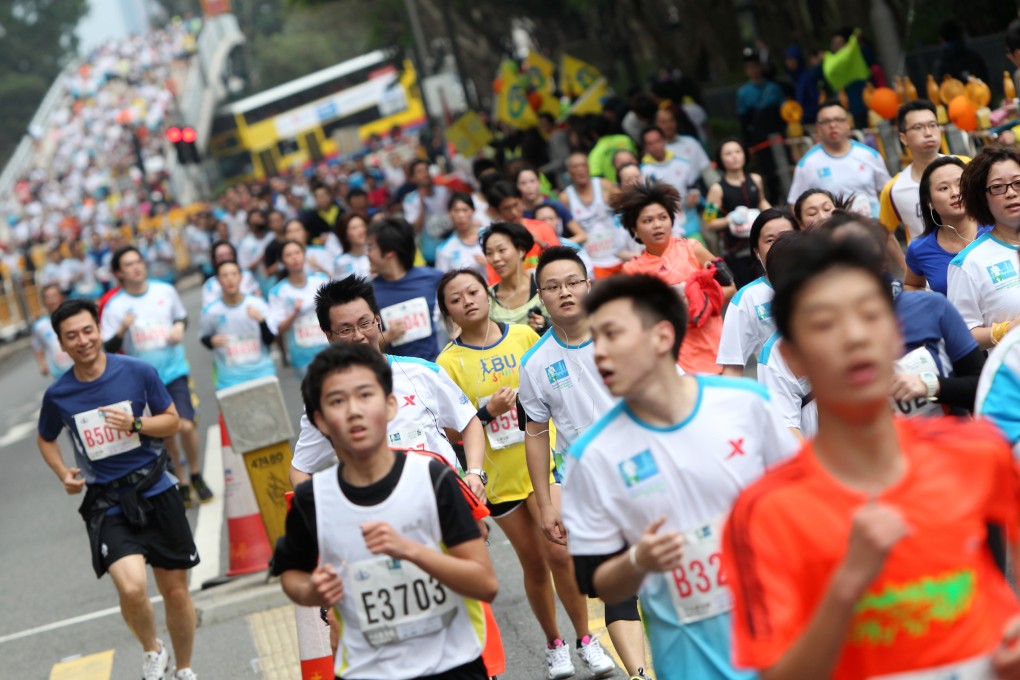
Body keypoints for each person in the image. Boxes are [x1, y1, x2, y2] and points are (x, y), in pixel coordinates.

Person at [723, 231, 1020, 680]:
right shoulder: (765, 513)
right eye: (825, 323)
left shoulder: (977, 455)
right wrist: (846, 585)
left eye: (870, 315)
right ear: (793, 352)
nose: (855, 337)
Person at [562, 274, 798, 680]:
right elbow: (599, 583)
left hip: (792, 640)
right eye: (594, 338)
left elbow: (808, 499)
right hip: (692, 662)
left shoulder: (747, 404)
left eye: (612, 335)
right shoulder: (591, 457)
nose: (598, 352)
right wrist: (638, 560)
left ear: (661, 336)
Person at [272, 343, 497, 680]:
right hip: (366, 671)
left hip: (451, 665)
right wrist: (311, 591)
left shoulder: (435, 479)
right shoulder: (313, 500)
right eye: (337, 401)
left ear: (390, 404)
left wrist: (409, 550)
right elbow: (291, 574)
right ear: (320, 421)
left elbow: (485, 583)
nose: (353, 411)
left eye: (365, 395)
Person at [435, 268, 617, 679]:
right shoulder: (447, 362)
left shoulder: (524, 338)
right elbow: (447, 428)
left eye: (473, 291)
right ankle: (555, 644)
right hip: (499, 479)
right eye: (455, 298)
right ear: (447, 311)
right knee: (534, 564)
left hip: (544, 464)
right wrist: (487, 412)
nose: (467, 301)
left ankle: (586, 638)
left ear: (488, 294)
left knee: (560, 552)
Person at [38, 298, 200, 680]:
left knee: (175, 591)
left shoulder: (138, 371)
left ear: (100, 330)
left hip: (156, 487)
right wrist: (63, 471)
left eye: (88, 331)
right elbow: (46, 438)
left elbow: (172, 422)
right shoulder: (58, 395)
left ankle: (185, 668)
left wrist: (137, 426)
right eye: (71, 336)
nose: (82, 341)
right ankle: (152, 650)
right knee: (130, 589)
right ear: (61, 344)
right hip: (107, 500)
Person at [520, 247, 651, 680]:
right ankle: (638, 674)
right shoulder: (536, 364)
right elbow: (536, 435)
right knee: (619, 590)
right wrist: (545, 506)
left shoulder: (625, 332)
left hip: (653, 473)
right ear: (540, 296)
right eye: (552, 286)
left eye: (572, 282)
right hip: (593, 491)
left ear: (589, 285)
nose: (565, 292)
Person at [288, 276, 485, 494]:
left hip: (447, 498)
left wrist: (475, 473)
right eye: (345, 330)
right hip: (382, 514)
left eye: (365, 324)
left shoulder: (422, 371)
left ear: (378, 322)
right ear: (329, 336)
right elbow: (300, 469)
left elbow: (468, 420)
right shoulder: (324, 399)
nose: (358, 336)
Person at [101, 246, 212, 507]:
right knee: (167, 433)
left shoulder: (165, 291)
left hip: (174, 371)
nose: (136, 267)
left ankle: (195, 472)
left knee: (185, 424)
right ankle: (182, 480)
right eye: (128, 264)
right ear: (119, 272)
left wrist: (178, 328)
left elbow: (181, 317)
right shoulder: (115, 307)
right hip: (144, 382)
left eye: (139, 261)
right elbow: (107, 346)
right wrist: (123, 329)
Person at [615, 179, 736, 374]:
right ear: (634, 229)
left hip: (719, 353)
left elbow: (732, 289)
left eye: (663, 217)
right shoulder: (632, 271)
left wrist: (700, 299)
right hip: (675, 364)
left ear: (672, 219)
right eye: (647, 221)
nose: (657, 225)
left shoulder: (693, 249)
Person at [948, 147, 1020, 349]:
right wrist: (1007, 329)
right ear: (982, 197)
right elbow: (961, 337)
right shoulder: (968, 263)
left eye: (1018, 183)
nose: (1011, 192)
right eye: (998, 187)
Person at [717, 209, 798, 377]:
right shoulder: (747, 299)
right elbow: (732, 368)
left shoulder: (821, 285)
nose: (778, 245)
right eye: (770, 240)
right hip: (778, 398)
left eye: (785, 237)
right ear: (756, 250)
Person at [786, 100, 891, 217]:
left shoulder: (870, 155)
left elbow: (886, 193)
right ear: (818, 127)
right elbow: (795, 204)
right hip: (831, 231)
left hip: (872, 228)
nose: (832, 125)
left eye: (838, 120)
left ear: (848, 123)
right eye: (826, 121)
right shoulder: (807, 164)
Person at [904, 156, 989, 295]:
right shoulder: (919, 249)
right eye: (944, 188)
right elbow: (910, 285)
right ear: (929, 202)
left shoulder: (998, 228)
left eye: (961, 184)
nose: (955, 193)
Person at [367, 217, 445, 362]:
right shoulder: (367, 293)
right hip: (397, 376)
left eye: (371, 248)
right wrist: (388, 336)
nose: (368, 254)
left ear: (389, 252)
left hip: (437, 368)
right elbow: (363, 347)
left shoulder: (434, 278)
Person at [703, 138, 772, 286]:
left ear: (744, 154)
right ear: (720, 159)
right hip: (737, 250)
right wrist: (730, 219)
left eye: (737, 151)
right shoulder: (717, 189)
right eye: (728, 153)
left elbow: (761, 201)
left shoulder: (755, 179)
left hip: (760, 244)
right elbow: (709, 222)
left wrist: (772, 215)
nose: (734, 156)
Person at [878, 101, 949, 244]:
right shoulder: (894, 189)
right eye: (918, 127)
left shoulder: (966, 167)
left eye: (933, 125)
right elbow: (885, 232)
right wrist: (906, 265)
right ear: (903, 138)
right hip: (928, 265)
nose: (928, 133)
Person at [199, 261, 277, 390]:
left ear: (241, 278)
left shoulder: (257, 304)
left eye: (234, 274)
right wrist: (211, 341)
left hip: (262, 372)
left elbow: (270, 339)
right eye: (225, 275)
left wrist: (262, 322)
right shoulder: (210, 311)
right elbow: (204, 338)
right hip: (230, 379)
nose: (230, 279)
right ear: (218, 281)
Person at [559, 151, 636, 278]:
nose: (580, 169)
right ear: (568, 172)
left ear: (589, 168)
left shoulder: (603, 185)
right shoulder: (565, 197)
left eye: (583, 165)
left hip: (619, 253)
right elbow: (567, 230)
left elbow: (626, 207)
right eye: (575, 166)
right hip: (591, 261)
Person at [266, 240, 330, 379]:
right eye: (289, 255)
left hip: (330, 348)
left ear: (304, 255)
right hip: (302, 356)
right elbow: (278, 329)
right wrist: (294, 313)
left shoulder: (321, 280)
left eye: (297, 253)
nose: (294, 257)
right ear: (282, 261)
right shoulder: (278, 292)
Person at [735, 49, 786, 202]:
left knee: (783, 167)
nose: (753, 70)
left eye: (756, 66)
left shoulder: (774, 88)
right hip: (760, 137)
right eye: (750, 67)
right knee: (769, 172)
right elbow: (744, 121)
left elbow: (784, 113)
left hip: (777, 134)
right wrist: (748, 145)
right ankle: (775, 200)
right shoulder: (743, 93)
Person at [483, 222, 546, 330]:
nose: (495, 258)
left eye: (502, 250)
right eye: (489, 253)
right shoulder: (487, 299)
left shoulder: (545, 284)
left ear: (521, 250)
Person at [639, 126, 700, 236]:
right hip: (663, 226)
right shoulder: (642, 172)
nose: (655, 146)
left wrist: (694, 194)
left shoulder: (683, 163)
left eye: (657, 141)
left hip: (690, 219)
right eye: (650, 143)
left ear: (664, 140)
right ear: (645, 147)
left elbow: (694, 186)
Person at [515, 166, 586, 243]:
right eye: (523, 183)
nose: (528, 186)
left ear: (539, 183)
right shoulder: (517, 214)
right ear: (517, 186)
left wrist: (559, 245)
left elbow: (582, 235)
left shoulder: (556, 206)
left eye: (532, 181)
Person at [401, 159, 450, 265]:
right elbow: (415, 230)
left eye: (426, 170)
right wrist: (422, 206)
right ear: (413, 178)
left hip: (451, 247)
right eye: (420, 171)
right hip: (432, 254)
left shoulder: (444, 191)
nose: (425, 174)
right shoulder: (410, 200)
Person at [435, 192, 486, 277]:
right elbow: (442, 281)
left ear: (473, 211)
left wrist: (489, 263)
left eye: (465, 210)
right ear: (449, 212)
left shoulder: (488, 235)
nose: (461, 215)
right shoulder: (444, 249)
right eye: (456, 210)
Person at [201, 241, 261, 307]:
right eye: (220, 256)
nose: (225, 258)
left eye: (228, 255)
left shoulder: (246, 275)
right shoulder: (209, 285)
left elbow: (258, 298)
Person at [32, 284, 74, 379]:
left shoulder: (74, 318)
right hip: (59, 372)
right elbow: (37, 346)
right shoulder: (40, 326)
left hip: (80, 366)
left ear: (61, 297)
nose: (52, 300)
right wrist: (42, 364)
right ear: (44, 301)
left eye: (54, 296)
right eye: (48, 297)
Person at [238, 209, 275, 296]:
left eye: (260, 218)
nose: (258, 222)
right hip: (258, 286)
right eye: (254, 220)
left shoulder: (272, 236)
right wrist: (261, 258)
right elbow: (244, 268)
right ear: (249, 224)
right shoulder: (245, 244)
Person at [332, 212, 371, 280]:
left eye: (363, 225)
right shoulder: (341, 261)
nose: (361, 230)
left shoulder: (375, 255)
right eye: (354, 228)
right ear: (345, 234)